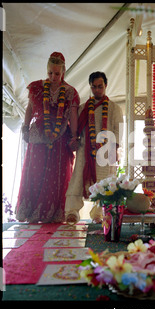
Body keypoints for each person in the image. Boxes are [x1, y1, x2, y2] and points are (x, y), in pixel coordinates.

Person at [16, 52, 80, 223]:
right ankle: (31, 212)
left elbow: (73, 115)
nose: (53, 77)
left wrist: (74, 137)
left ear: (63, 72)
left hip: (60, 139)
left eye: (57, 74)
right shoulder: (36, 87)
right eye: (50, 73)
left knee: (55, 177)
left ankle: (52, 214)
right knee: (35, 172)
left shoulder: (70, 92)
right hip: (38, 137)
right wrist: (25, 127)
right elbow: (29, 108)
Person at [65, 71, 123, 224]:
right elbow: (75, 130)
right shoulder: (83, 108)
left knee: (104, 182)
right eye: (94, 87)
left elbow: (118, 130)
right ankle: (72, 212)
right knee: (78, 179)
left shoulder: (114, 108)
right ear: (90, 87)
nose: (97, 90)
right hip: (85, 150)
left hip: (106, 151)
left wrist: (115, 149)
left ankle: (99, 214)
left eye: (100, 86)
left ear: (106, 85)